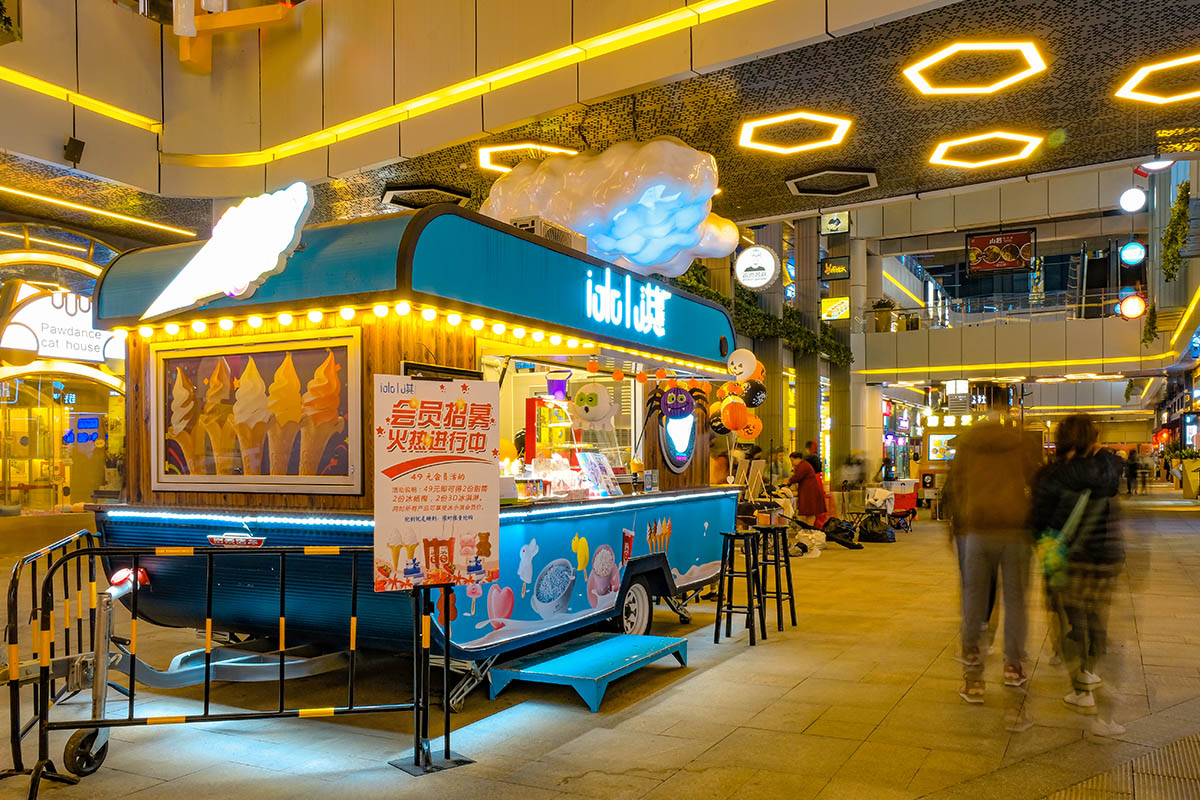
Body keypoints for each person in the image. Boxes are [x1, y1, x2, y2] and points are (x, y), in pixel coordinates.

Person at [1031, 414, 1126, 737]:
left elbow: (1038, 521)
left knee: (1072, 622)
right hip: (1104, 559)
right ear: (1092, 440)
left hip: (1068, 560)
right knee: (1096, 618)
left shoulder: (1053, 475)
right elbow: (1113, 468)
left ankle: (1081, 687)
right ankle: (1099, 694)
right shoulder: (1107, 470)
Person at [943, 416, 1038, 709]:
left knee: (974, 600)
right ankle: (1013, 667)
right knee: (1016, 601)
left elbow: (954, 487)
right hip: (1014, 531)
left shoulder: (968, 444)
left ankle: (974, 680)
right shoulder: (1018, 443)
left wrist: (957, 526)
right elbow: (1036, 483)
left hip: (978, 530)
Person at [785, 450, 826, 526]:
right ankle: (809, 527)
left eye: (792, 461)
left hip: (810, 493)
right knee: (810, 513)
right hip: (810, 491)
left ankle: (809, 528)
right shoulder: (804, 465)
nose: (792, 463)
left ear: (798, 458)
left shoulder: (802, 466)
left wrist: (788, 481)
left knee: (810, 513)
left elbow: (797, 477)